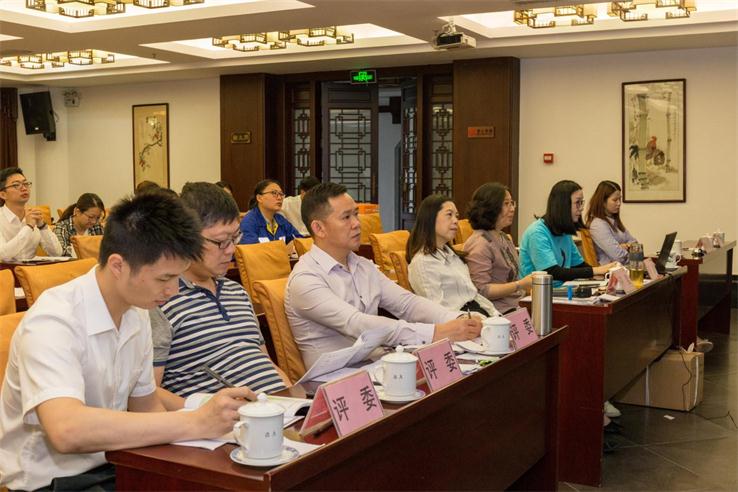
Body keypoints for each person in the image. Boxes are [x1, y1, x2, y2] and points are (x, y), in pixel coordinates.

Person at [0, 192, 254, 491]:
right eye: (164, 279)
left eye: (177, 277)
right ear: (118, 265)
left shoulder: (137, 312)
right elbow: (66, 430)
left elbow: (146, 405)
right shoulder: (54, 320)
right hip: (52, 482)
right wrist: (195, 422)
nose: (173, 290)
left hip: (118, 463)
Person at [285, 182, 482, 368]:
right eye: (346, 217)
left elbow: (407, 303)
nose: (357, 223)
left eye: (356, 214)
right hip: (335, 378)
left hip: (377, 365)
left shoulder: (362, 265)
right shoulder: (306, 279)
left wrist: (458, 318)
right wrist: (435, 332)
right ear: (319, 228)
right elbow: (358, 324)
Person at [151, 182, 289, 410]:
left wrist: (295, 398)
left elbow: (264, 361)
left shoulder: (237, 292)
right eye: (220, 242)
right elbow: (147, 392)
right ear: (187, 238)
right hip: (225, 422)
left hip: (278, 410)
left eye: (235, 238)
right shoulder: (160, 300)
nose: (232, 250)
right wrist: (202, 415)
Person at [406, 194, 499, 317]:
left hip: (479, 314)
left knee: (519, 325)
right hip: (461, 322)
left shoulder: (453, 255)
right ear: (430, 218)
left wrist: (495, 315)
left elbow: (473, 296)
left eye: (456, 216)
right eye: (449, 215)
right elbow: (436, 313)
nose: (455, 221)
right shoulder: (423, 263)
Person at [519, 180, 617, 287]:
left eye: (582, 202)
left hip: (561, 289)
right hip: (538, 293)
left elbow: (578, 265)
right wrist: (596, 270)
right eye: (577, 203)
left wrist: (603, 273)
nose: (581, 208)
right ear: (563, 205)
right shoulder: (537, 233)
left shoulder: (564, 232)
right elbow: (551, 272)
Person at [464, 182, 533, 314]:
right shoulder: (480, 244)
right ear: (490, 208)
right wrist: (520, 284)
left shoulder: (503, 237)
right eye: (506, 204)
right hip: (498, 312)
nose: (512, 209)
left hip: (517, 305)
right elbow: (481, 290)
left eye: (512, 203)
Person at [0, 166, 62, 261]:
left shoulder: (34, 216)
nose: (24, 188)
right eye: (16, 185)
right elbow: (3, 255)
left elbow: (57, 253)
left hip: (33, 268)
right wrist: (28, 227)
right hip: (6, 269)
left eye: (26, 183)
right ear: (3, 194)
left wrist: (42, 226)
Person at [585, 180, 638, 265]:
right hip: (609, 270)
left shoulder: (614, 221)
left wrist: (625, 246)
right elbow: (619, 257)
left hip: (624, 268)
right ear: (603, 202)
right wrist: (628, 249)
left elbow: (635, 244)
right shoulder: (598, 225)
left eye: (620, 199)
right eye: (615, 200)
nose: (619, 203)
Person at [239, 179, 303, 246]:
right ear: (259, 198)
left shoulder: (280, 220)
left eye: (281, 194)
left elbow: (300, 241)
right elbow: (251, 250)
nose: (279, 198)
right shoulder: (249, 222)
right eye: (274, 193)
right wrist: (284, 250)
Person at [54, 192, 106, 257]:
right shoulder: (62, 228)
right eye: (90, 217)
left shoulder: (97, 227)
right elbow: (61, 254)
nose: (94, 221)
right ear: (77, 212)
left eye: (97, 218)